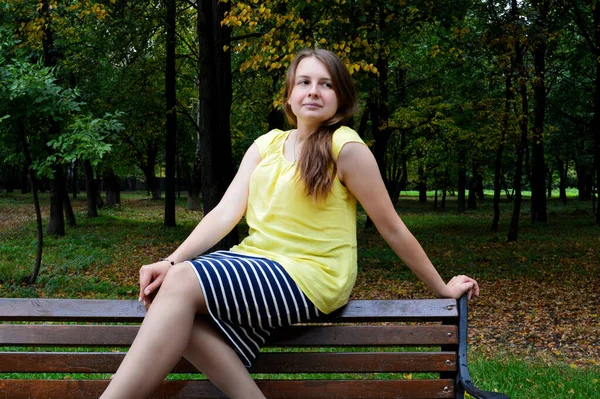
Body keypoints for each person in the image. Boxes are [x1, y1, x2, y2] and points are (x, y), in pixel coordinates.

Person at [99, 48, 479, 399]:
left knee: (180, 281)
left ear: (341, 99)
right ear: (289, 96)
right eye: (305, 82)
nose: (314, 91)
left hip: (314, 274)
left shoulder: (345, 148)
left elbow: (391, 226)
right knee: (167, 290)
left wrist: (441, 287)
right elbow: (224, 213)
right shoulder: (266, 145)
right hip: (254, 262)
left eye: (326, 84)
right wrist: (170, 260)